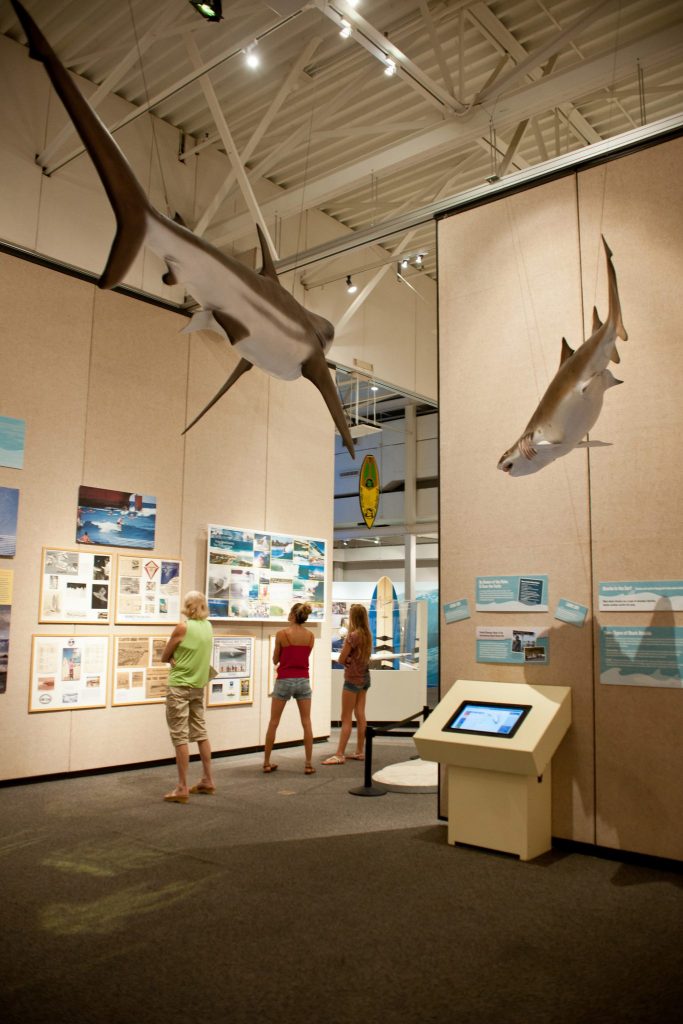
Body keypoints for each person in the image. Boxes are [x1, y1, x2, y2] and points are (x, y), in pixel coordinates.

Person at [161, 590, 215, 803]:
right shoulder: (208, 626)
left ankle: (182, 786)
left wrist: (173, 657)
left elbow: (165, 655)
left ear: (188, 606)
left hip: (179, 687)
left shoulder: (183, 627)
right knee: (200, 732)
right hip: (197, 687)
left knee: (180, 736)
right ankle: (207, 779)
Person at [264, 602, 316, 775]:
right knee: (306, 722)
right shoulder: (310, 636)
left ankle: (266, 762)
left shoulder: (282, 634)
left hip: (284, 680)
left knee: (274, 722)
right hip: (303, 680)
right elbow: (304, 657)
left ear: (293, 615)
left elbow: (275, 659)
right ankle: (308, 764)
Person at [322, 603, 372, 765]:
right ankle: (359, 751)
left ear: (352, 617)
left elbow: (341, 659)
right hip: (365, 678)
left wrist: (348, 659)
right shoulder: (367, 635)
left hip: (352, 679)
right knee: (360, 714)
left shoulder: (353, 636)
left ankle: (339, 754)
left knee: (345, 718)